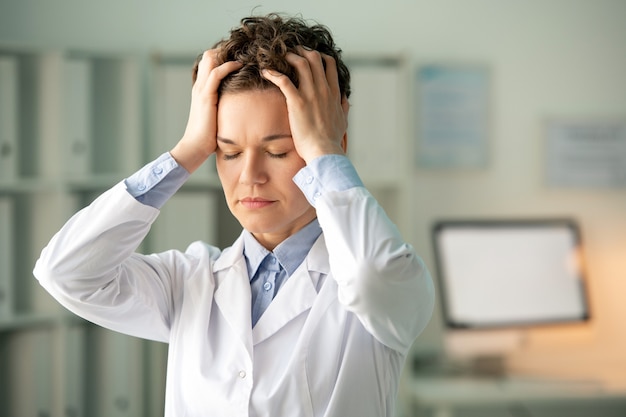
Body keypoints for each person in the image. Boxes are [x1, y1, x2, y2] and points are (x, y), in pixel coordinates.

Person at [34, 13, 434, 417]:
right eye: (228, 152)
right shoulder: (190, 281)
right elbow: (66, 273)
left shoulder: (393, 284)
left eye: (278, 151)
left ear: (329, 146)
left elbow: (369, 275)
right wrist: (186, 152)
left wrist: (324, 152)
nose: (250, 176)